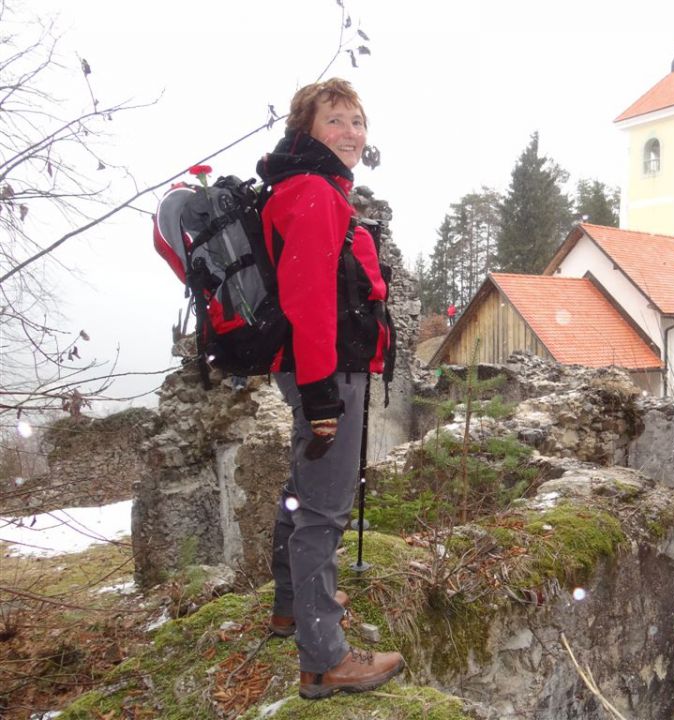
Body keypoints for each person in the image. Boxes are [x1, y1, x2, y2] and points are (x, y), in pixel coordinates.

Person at [256, 78, 404, 700]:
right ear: (307, 130)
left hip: (317, 367)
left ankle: (294, 607)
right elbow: (309, 300)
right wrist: (320, 392)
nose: (350, 133)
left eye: (358, 122)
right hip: (325, 371)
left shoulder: (306, 188)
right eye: (335, 121)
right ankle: (324, 659)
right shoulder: (314, 193)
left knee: (304, 488)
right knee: (324, 509)